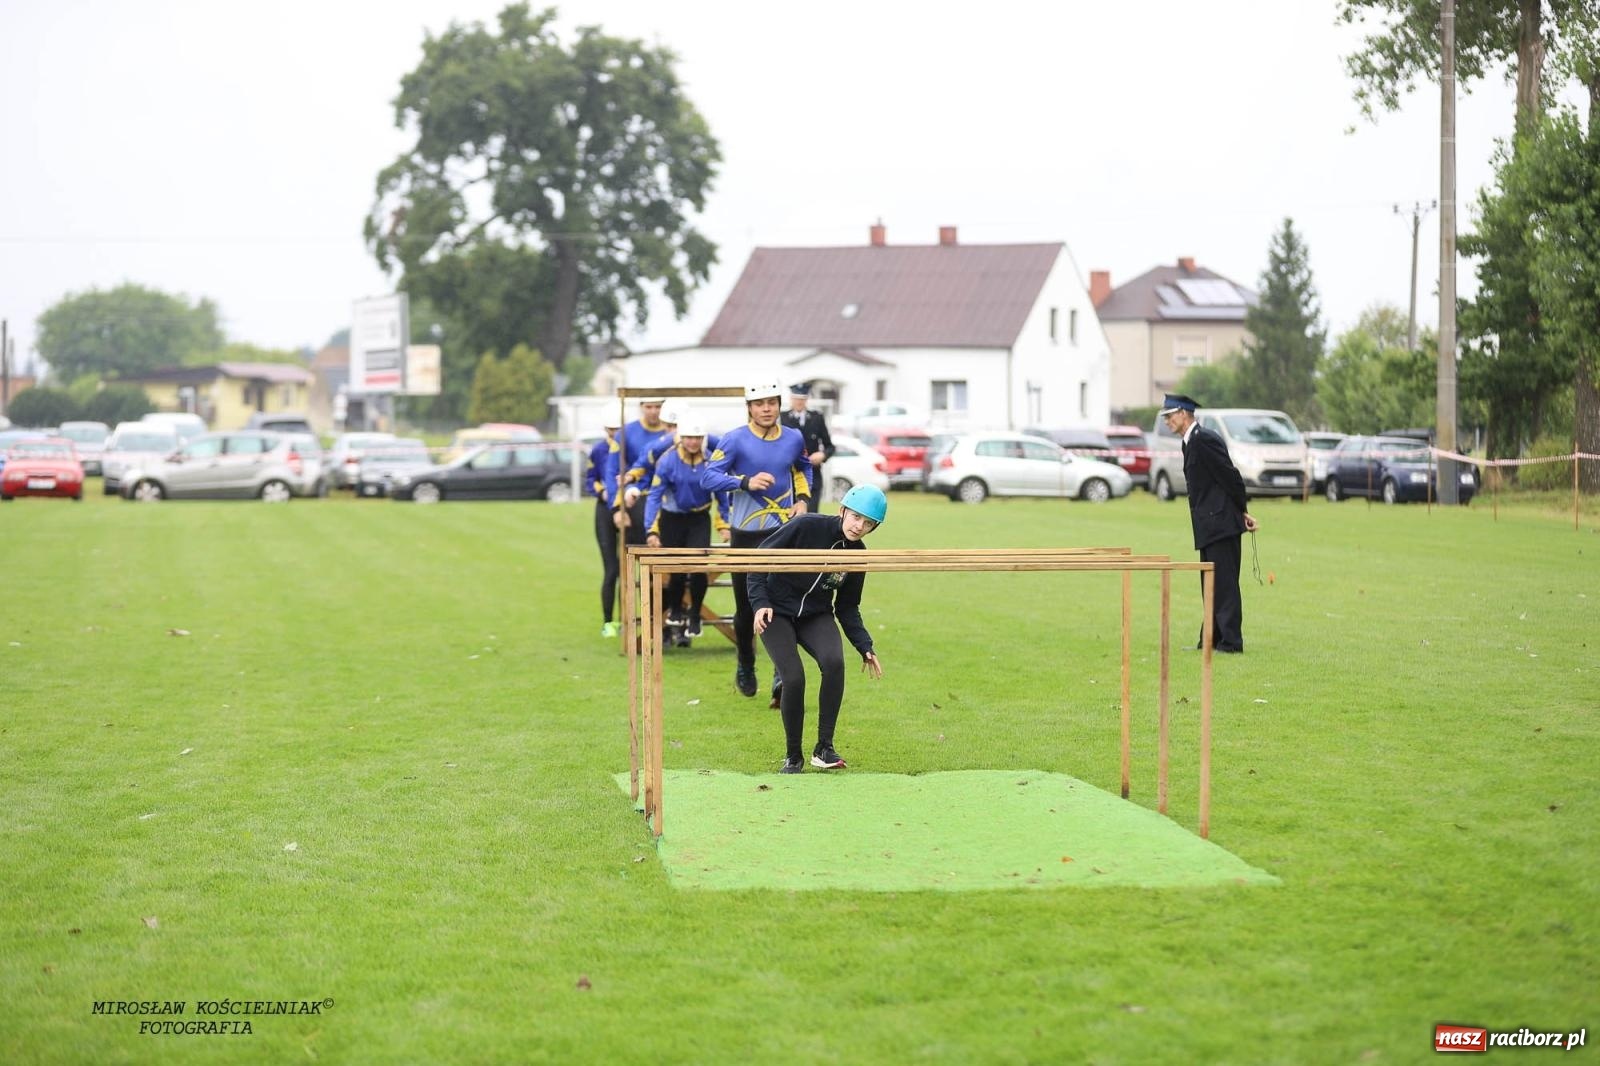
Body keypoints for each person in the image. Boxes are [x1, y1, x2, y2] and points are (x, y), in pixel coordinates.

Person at [749, 484, 887, 773]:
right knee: (794, 678)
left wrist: (865, 646)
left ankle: (824, 748)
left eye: (868, 523)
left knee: (834, 662)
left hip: (816, 615)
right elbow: (761, 556)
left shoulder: (858, 556)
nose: (859, 526)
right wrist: (760, 602)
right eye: (855, 517)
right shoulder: (806, 525)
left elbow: (848, 607)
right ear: (843, 511)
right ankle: (793, 755)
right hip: (777, 611)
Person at [700, 382, 814, 698]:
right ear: (749, 407)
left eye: (771, 402)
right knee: (746, 607)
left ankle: (780, 673)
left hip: (781, 532)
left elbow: (803, 468)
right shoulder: (734, 439)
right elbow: (708, 477)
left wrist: (803, 499)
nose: (766, 408)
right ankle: (746, 663)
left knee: (782, 604)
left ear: (779, 405)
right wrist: (745, 481)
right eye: (759, 403)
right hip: (745, 535)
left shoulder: (793, 438)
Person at [1159, 393, 1258, 653]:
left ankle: (1231, 642)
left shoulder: (1204, 440)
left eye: (1169, 416)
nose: (1167, 421)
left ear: (1183, 414)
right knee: (1210, 583)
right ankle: (1210, 640)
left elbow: (1231, 477)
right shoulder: (1190, 442)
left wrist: (1242, 511)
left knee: (1224, 584)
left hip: (1221, 524)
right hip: (1208, 525)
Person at [644, 417, 729, 646]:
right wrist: (651, 530)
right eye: (689, 437)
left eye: (697, 438)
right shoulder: (667, 461)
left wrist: (725, 526)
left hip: (699, 518)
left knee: (699, 567)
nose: (693, 442)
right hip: (671, 519)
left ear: (703, 439)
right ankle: (675, 610)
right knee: (677, 570)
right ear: (681, 438)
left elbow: (722, 495)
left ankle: (694, 615)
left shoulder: (711, 461)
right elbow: (653, 496)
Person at [587, 414, 625, 637]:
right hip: (605, 509)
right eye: (611, 430)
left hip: (627, 508)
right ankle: (609, 621)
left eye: (617, 430)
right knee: (611, 570)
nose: (614, 434)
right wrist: (601, 491)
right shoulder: (598, 450)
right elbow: (590, 478)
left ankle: (628, 620)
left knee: (629, 570)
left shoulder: (629, 448)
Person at [780, 382, 834, 501]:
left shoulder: (817, 418)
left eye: (802, 399)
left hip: (813, 475)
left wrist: (822, 455)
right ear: (791, 399)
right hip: (789, 476)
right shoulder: (782, 418)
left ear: (807, 400)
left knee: (811, 516)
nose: (799, 402)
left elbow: (830, 446)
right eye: (796, 399)